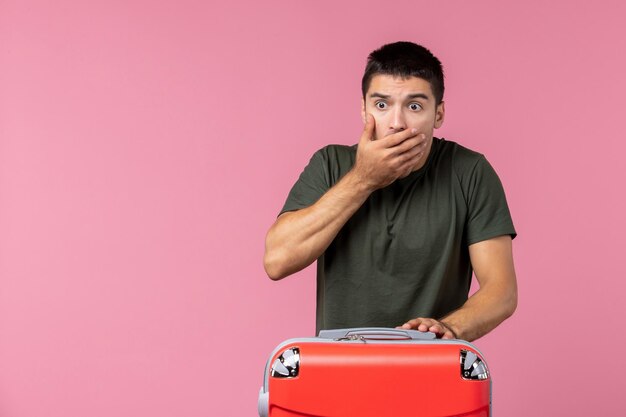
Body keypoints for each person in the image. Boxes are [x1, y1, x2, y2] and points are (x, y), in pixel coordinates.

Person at [263, 41, 517, 342]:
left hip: (432, 367)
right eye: (381, 105)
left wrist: (448, 328)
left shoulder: (470, 172)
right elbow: (277, 260)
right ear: (363, 109)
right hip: (341, 370)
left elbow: (501, 291)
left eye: (414, 106)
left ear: (438, 114)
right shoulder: (330, 164)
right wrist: (363, 179)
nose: (396, 124)